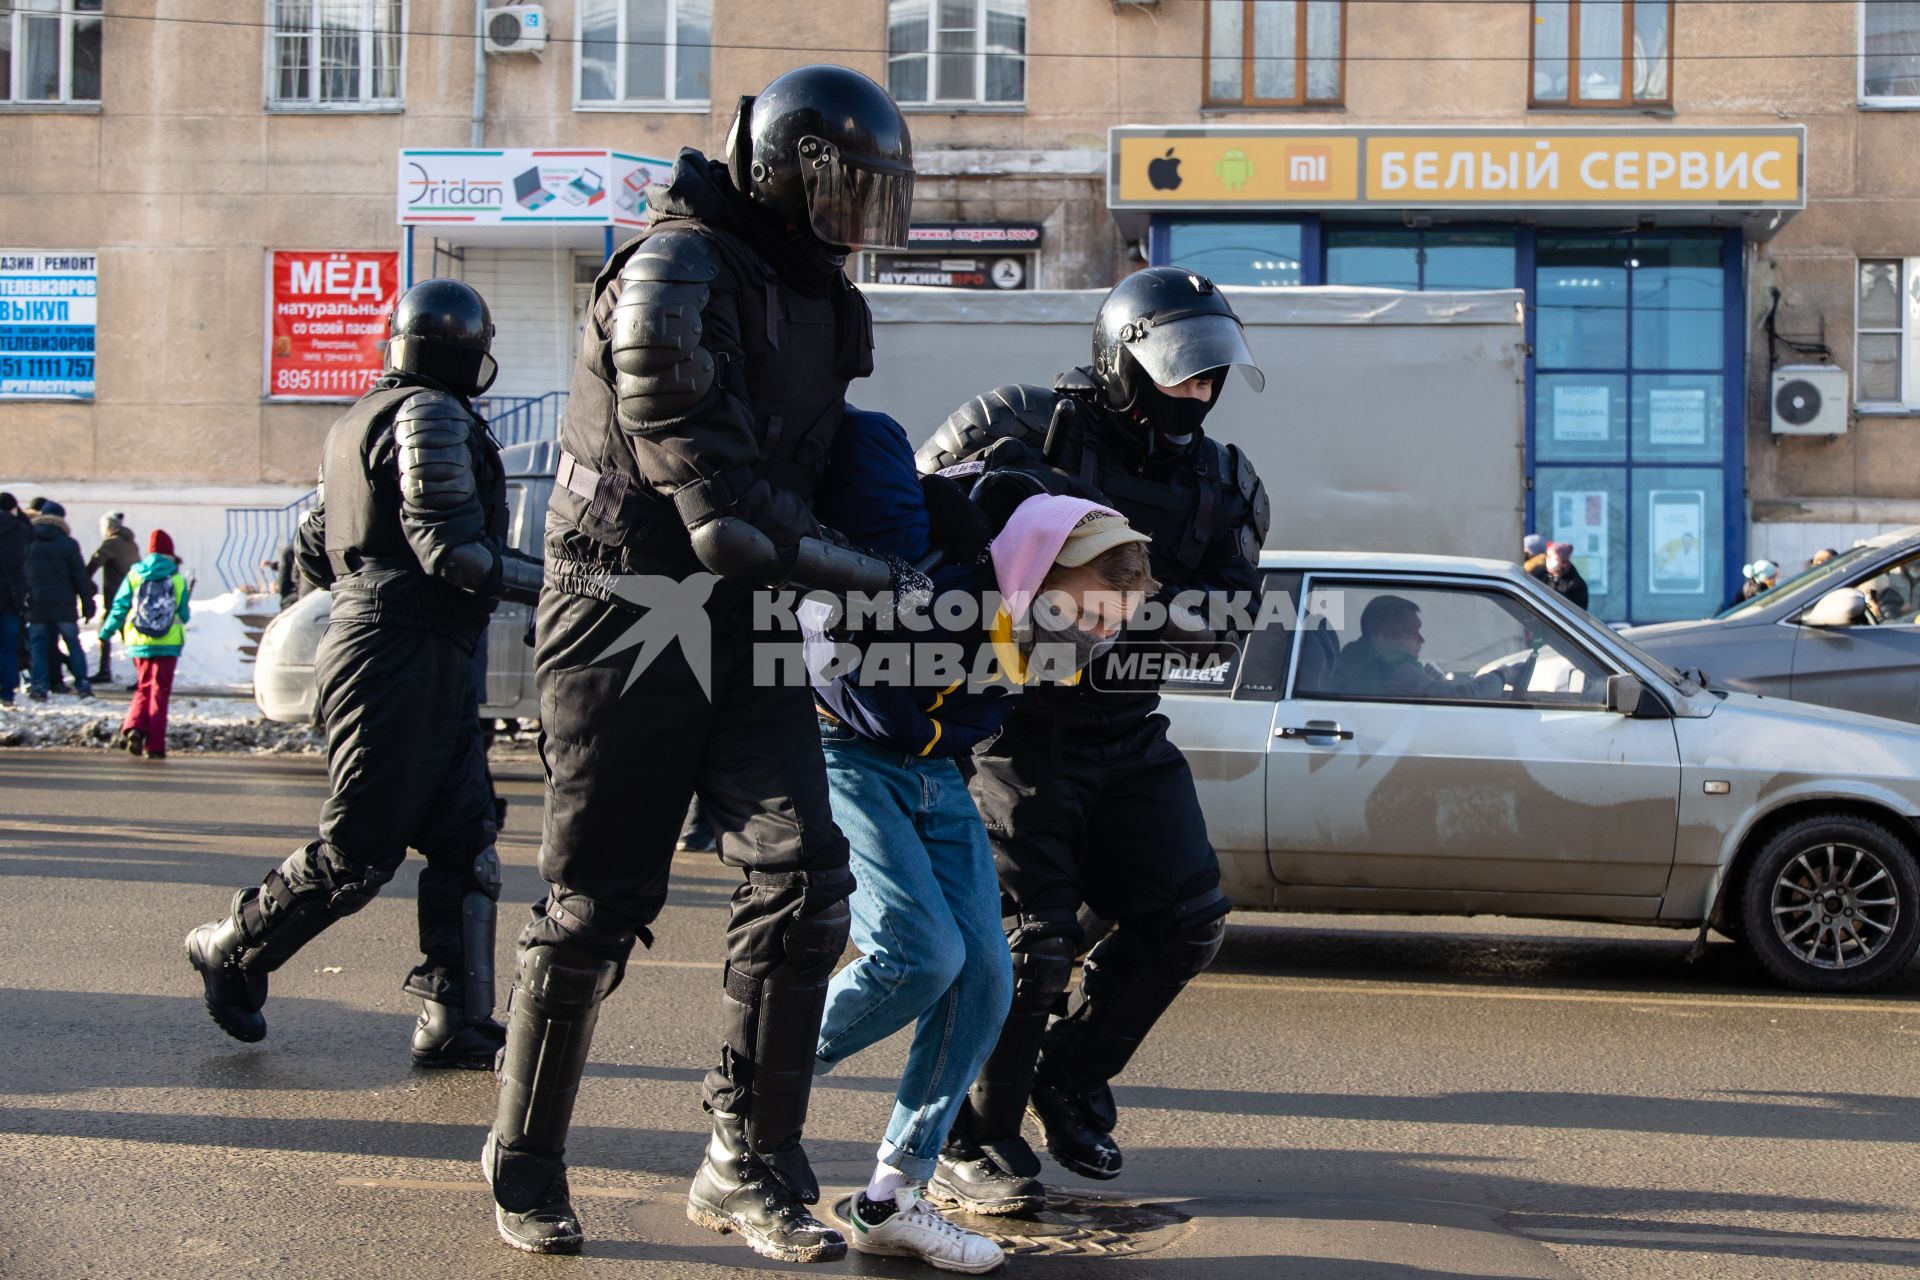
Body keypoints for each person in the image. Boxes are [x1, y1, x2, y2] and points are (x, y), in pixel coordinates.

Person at [481, 65, 914, 1261]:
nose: (859, 219)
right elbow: (725, 513)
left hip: (748, 610)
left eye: (875, 197)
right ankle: (523, 1157)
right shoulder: (675, 271)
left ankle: (748, 1158)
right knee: (595, 906)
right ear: (780, 171)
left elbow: (818, 472)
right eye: (842, 190)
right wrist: (889, 581)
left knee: (807, 877)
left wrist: (975, 524)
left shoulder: (820, 289)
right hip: (627, 607)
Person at [914, 266, 1269, 1215]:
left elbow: (1230, 618)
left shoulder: (1223, 480)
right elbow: (912, 541)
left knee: (1186, 917)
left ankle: (1067, 1074)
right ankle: (969, 1140)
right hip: (1010, 728)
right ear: (1122, 359)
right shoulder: (1018, 425)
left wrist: (1092, 602)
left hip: (1125, 724)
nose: (1194, 391)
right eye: (1177, 372)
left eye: (1208, 375)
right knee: (1032, 944)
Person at [809, 437, 1156, 1271]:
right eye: (1087, 613)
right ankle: (754, 1085)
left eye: (1110, 625)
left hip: (933, 773)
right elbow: (839, 668)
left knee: (986, 980)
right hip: (844, 755)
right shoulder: (942, 594)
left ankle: (892, 1197)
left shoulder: (1025, 621)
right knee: (917, 955)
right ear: (1040, 574)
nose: (1093, 639)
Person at [184, 278, 544, 1074]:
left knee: (465, 838)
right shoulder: (430, 414)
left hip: (418, 648)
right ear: (466, 351)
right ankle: (232, 947)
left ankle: (454, 1016)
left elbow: (314, 546)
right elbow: (452, 552)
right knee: (359, 850)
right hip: (398, 652)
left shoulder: (358, 420)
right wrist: (570, 582)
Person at [98, 529, 190, 758]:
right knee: (160, 693)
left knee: (143, 687)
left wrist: (106, 632)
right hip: (168, 642)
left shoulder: (134, 574)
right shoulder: (177, 579)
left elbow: (119, 606)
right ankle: (156, 746)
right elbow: (184, 614)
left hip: (139, 641)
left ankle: (135, 727)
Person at [1331, 595, 1525, 699]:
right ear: (1384, 637)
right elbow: (1457, 700)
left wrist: (1436, 682)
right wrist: (1501, 676)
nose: (1421, 639)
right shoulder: (1394, 669)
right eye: (1412, 631)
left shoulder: (1356, 657)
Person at [23, 498, 94, 701]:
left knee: (38, 646)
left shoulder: (28, 541)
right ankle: (83, 684)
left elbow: (21, 573)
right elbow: (80, 576)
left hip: (36, 605)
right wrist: (87, 603)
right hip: (64, 605)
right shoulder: (69, 544)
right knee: (73, 644)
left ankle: (39, 687)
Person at [87, 512, 140, 684]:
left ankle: (105, 671)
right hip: (130, 596)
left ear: (108, 527)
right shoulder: (131, 544)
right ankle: (140, 673)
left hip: (115, 597)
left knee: (106, 633)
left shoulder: (111, 543)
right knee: (127, 636)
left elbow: (96, 561)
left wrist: (83, 579)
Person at [0, 492, 30, 706]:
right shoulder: (19, 530)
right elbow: (32, 532)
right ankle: (7, 692)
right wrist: (19, 514)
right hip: (11, 598)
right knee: (9, 647)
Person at [1541, 540, 1589, 610]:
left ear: (1562, 560)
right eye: (1548, 556)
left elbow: (1579, 611)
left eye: (1552, 557)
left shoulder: (1576, 584)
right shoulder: (1544, 575)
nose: (1548, 560)